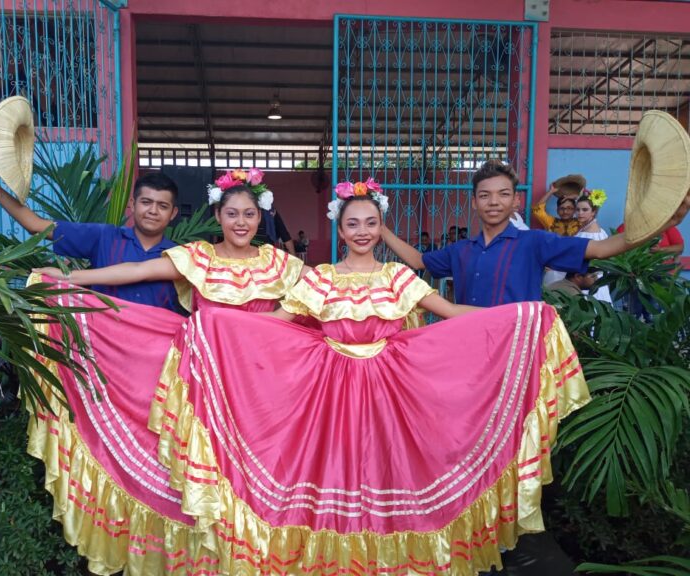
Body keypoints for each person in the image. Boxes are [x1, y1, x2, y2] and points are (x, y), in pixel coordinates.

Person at [139, 179, 590, 574]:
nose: (361, 232)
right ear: (340, 229)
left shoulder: (398, 276)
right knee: (331, 472)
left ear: (381, 228)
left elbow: (451, 314)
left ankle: (387, 559)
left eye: (370, 223)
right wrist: (216, 325)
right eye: (353, 224)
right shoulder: (321, 279)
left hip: (391, 388)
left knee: (389, 468)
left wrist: (521, 317)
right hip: (328, 388)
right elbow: (275, 320)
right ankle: (327, 557)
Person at [28, 169, 306, 574]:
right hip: (205, 386)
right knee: (203, 474)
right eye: (232, 214)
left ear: (259, 218)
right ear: (218, 215)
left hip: (262, 389)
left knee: (253, 479)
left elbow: (315, 297)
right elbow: (135, 271)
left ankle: (251, 560)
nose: (241, 222)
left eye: (248, 214)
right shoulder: (198, 257)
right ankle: (202, 561)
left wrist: (272, 326)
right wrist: (71, 278)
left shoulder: (282, 264)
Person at [381, 159, 690, 307]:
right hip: (469, 342)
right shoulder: (461, 250)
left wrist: (660, 225)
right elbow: (420, 260)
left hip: (518, 347)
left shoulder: (534, 242)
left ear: (515, 201)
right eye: (485, 195)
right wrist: (381, 230)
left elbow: (598, 250)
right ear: (474, 202)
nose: (493, 202)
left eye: (503, 194)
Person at [0, 142, 182, 311]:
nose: (153, 211)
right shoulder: (104, 237)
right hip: (103, 349)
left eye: (162, 206)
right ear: (132, 204)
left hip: (161, 355)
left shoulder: (182, 257)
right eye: (146, 202)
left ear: (173, 213)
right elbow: (35, 225)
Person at [574, 191, 612, 303]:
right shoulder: (593, 230)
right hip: (592, 280)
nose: (580, 213)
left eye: (585, 210)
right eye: (578, 209)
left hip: (588, 280)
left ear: (593, 212)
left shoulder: (589, 234)